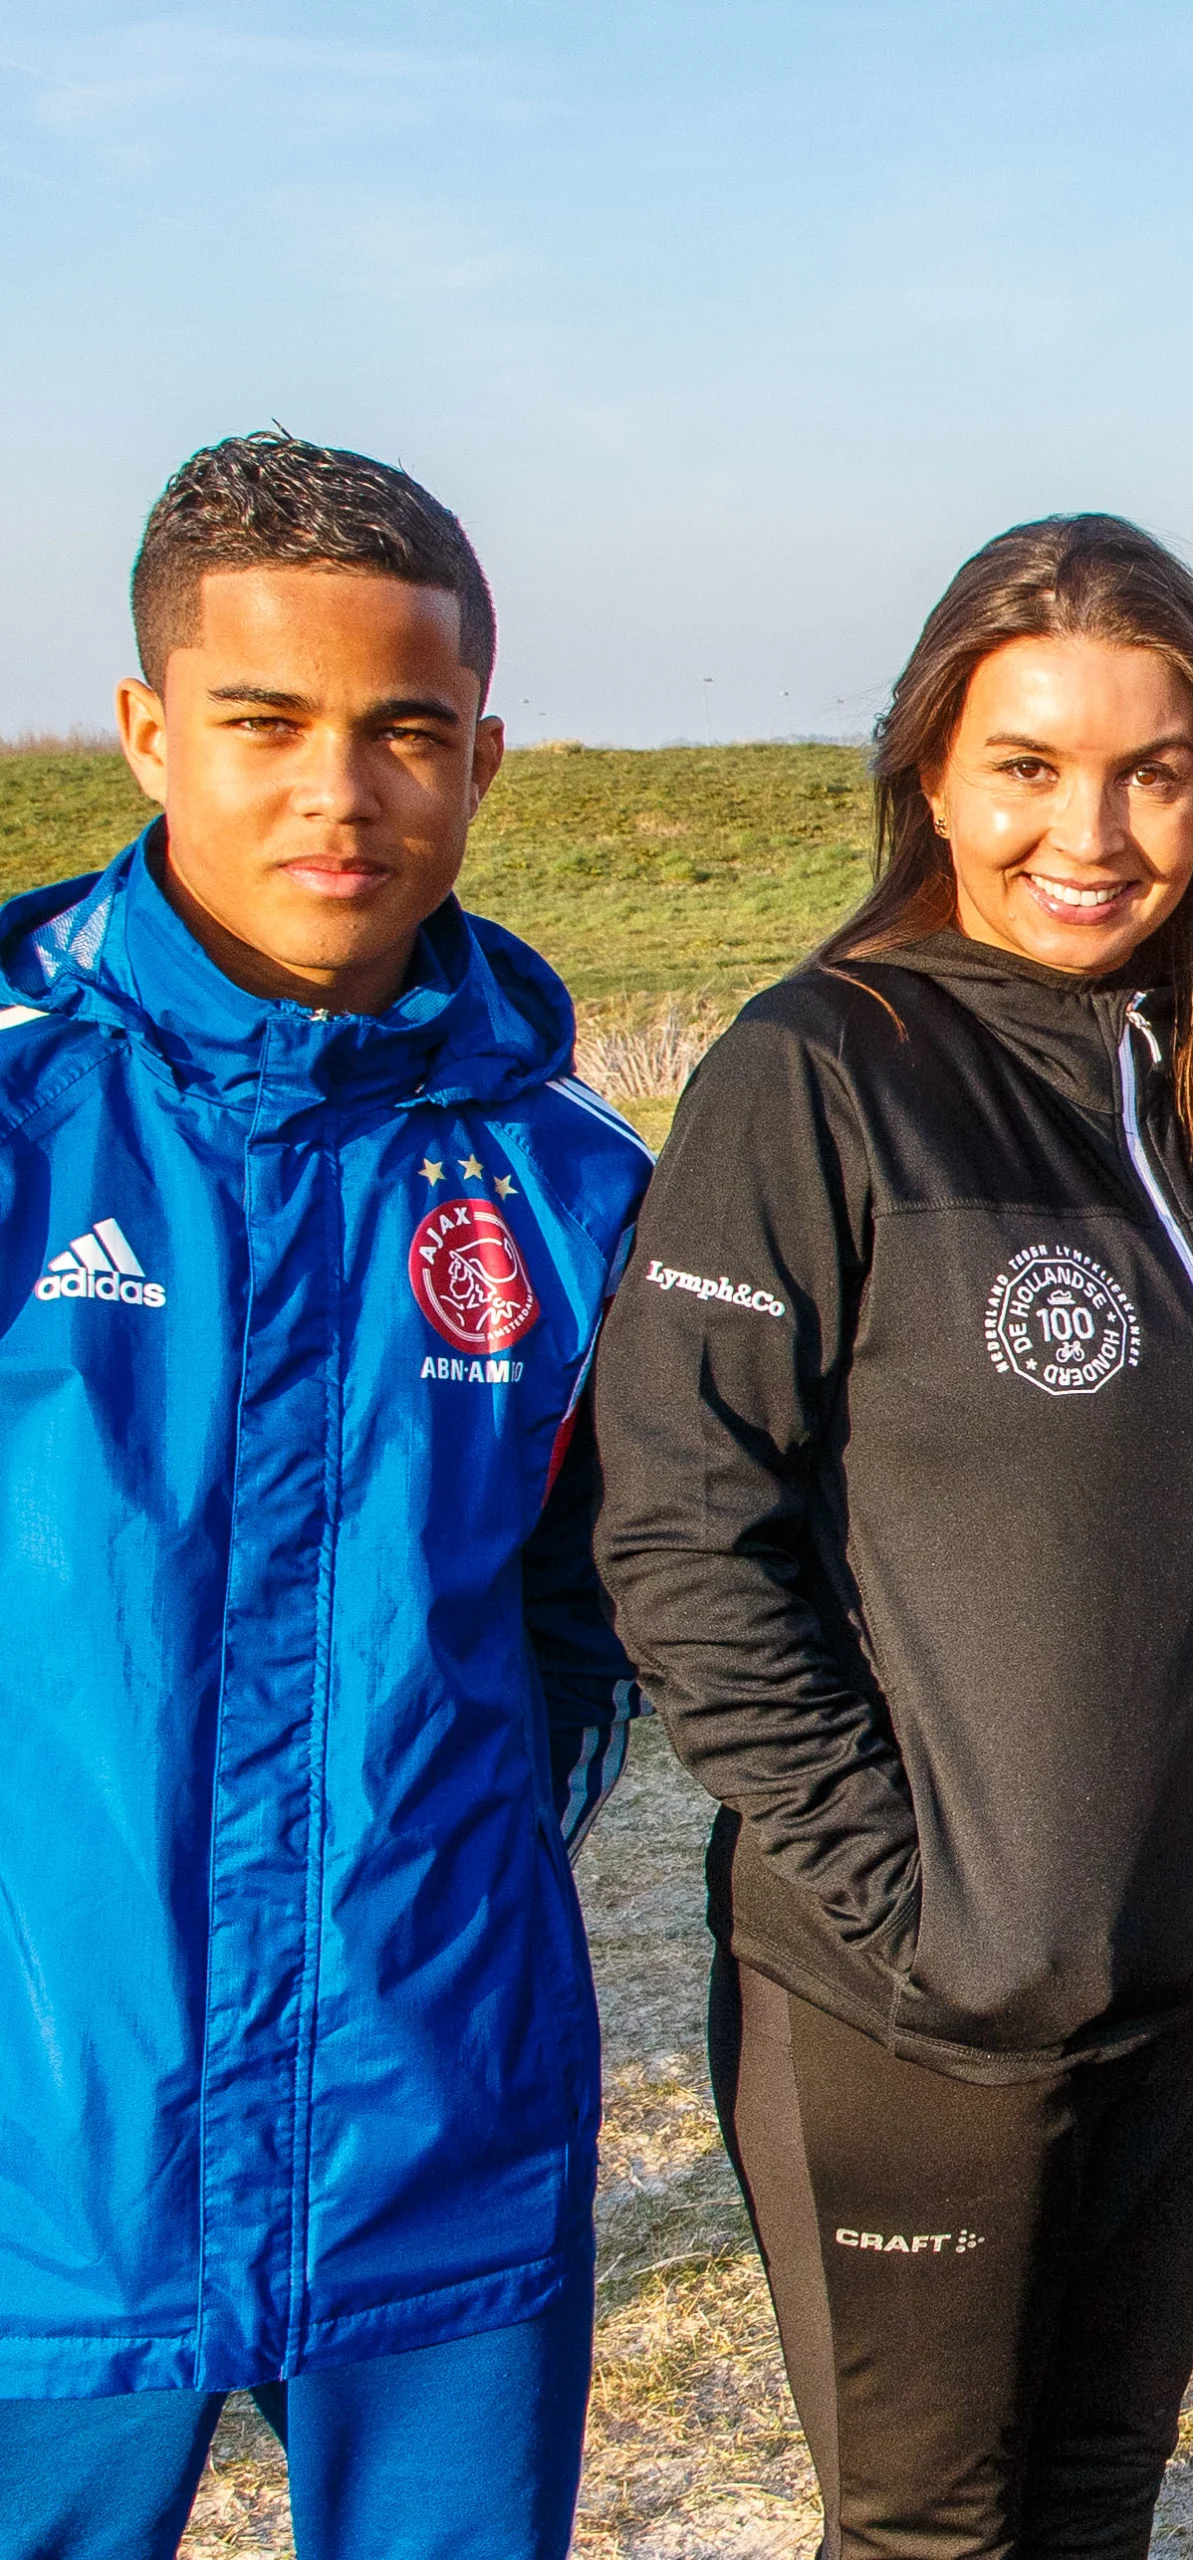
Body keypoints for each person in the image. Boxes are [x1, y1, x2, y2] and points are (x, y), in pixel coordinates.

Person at [593, 515, 1193, 2555]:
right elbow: (683, 1540)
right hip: (915, 2016)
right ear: (930, 767)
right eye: (1027, 762)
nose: (1089, 829)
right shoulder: (821, 1070)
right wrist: (923, 1908)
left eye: (1152, 768)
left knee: (1100, 2501)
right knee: (936, 2527)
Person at [0, 432, 650, 2560]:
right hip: (44, 2170)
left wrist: (445, 1883)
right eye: (265, 723)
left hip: (432, 2134)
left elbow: (581, 1618)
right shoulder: (21, 1118)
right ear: (145, 726)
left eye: (400, 731)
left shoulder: (568, 1185)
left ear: (483, 750)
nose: (336, 792)